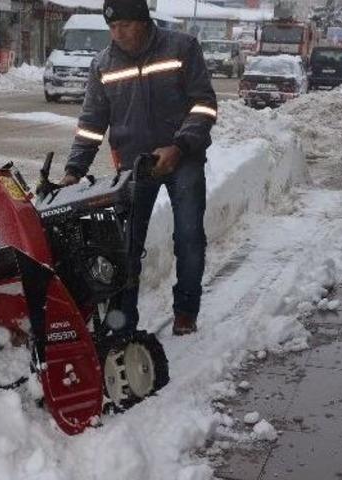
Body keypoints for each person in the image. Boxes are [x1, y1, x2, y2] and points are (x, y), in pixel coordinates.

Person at [60, 0, 217, 336]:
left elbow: (204, 105)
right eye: (113, 27)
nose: (118, 34)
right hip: (134, 167)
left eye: (126, 26)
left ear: (144, 22)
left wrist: (179, 146)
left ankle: (186, 310)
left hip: (182, 158)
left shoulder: (182, 47)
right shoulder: (103, 64)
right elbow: (91, 123)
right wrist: (74, 169)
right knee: (125, 246)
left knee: (189, 238)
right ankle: (124, 322)